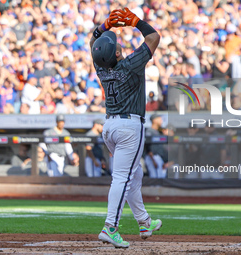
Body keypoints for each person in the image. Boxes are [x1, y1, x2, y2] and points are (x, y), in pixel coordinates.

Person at [89, 8, 162, 248]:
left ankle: (144, 221)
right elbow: (154, 38)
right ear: (118, 53)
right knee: (123, 177)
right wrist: (136, 22)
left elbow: (94, 42)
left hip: (110, 126)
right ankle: (110, 227)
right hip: (129, 126)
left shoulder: (101, 66)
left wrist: (104, 27)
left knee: (134, 175)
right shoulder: (129, 64)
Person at [145, 114, 167, 178]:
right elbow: (147, 146)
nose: (161, 120)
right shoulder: (149, 131)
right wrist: (153, 160)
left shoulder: (159, 132)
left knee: (160, 176)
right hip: (152, 157)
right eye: (159, 118)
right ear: (154, 120)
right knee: (153, 176)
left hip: (159, 157)